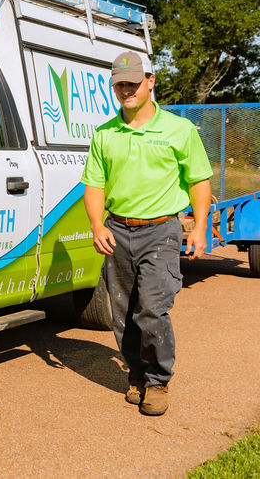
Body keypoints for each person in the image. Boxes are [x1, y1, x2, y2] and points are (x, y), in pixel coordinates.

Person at [81, 51, 212, 416]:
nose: (127, 90)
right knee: (123, 312)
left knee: (153, 308)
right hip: (118, 230)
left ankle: (157, 382)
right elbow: (94, 186)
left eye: (133, 83)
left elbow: (199, 180)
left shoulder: (179, 130)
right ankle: (136, 375)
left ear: (150, 82)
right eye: (120, 84)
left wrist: (199, 227)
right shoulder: (105, 134)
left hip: (161, 230)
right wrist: (96, 224)